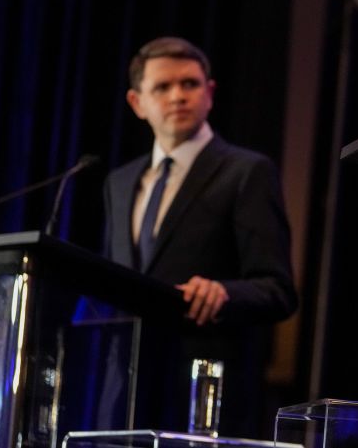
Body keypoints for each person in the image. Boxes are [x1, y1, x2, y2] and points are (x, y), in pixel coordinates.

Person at [103, 36, 298, 437]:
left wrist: (224, 293)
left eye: (189, 84)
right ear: (137, 103)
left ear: (209, 93)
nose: (178, 96)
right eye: (162, 87)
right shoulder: (118, 183)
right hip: (124, 398)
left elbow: (279, 289)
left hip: (203, 394)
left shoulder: (246, 172)